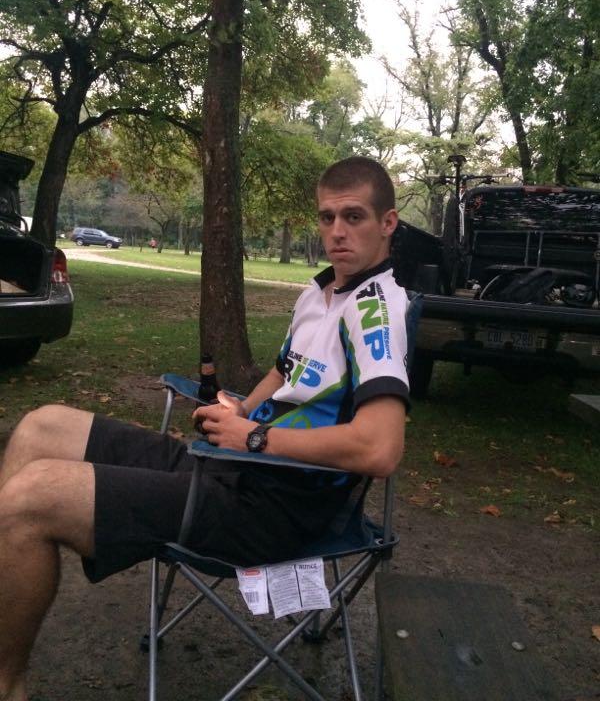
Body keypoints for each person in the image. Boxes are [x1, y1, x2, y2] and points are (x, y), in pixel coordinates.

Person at [0, 156, 410, 701]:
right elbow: (283, 371)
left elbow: (381, 449)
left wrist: (257, 438)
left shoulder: (377, 310)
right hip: (231, 469)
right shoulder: (320, 295)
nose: (337, 231)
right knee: (40, 426)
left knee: (31, 499)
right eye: (327, 217)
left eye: (354, 216)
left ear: (388, 224)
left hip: (277, 510)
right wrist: (243, 413)